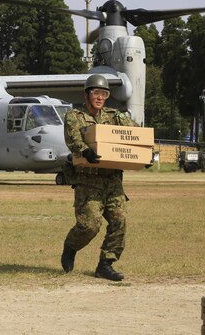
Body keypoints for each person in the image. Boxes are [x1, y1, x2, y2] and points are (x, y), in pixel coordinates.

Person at [60, 74, 138, 281]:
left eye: (104, 93)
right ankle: (70, 247)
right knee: (89, 225)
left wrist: (143, 154)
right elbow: (73, 138)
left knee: (119, 221)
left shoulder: (115, 116)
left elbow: (135, 135)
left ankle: (105, 264)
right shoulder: (74, 116)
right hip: (88, 180)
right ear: (86, 95)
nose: (100, 97)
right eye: (96, 93)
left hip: (112, 179)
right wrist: (85, 151)